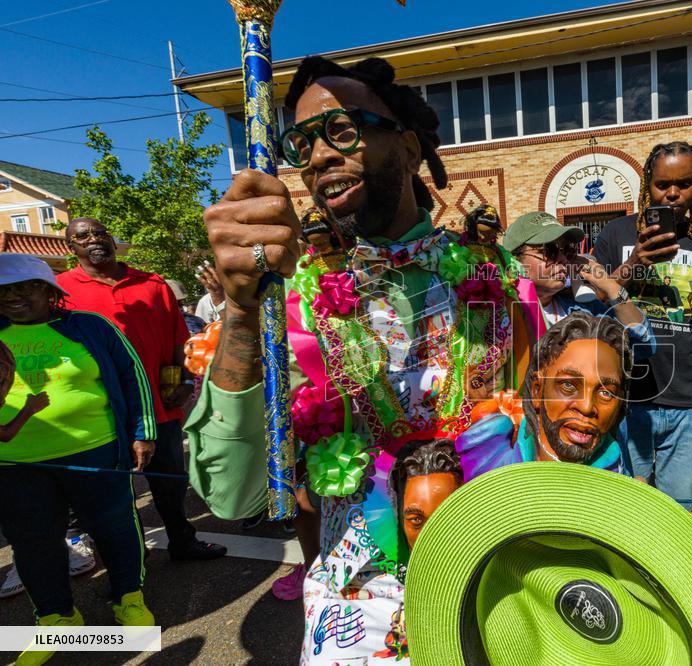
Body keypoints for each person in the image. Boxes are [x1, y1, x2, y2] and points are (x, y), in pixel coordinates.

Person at [186, 56, 538, 664]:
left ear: (405, 145)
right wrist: (243, 316)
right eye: (300, 143)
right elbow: (233, 495)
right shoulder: (293, 300)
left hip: (493, 585)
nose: (318, 156)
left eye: (341, 130)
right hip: (358, 613)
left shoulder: (500, 278)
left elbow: (537, 435)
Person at [458, 312, 692, 550]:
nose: (587, 407)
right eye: (567, 386)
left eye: (606, 393)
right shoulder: (490, 453)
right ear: (537, 391)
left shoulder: (616, 477)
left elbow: (650, 522)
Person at [0, 256, 157, 663]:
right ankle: (56, 620)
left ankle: (129, 599)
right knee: (33, 543)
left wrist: (143, 432)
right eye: (4, 292)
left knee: (115, 527)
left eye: (25, 288)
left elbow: (131, 374)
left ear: (51, 293)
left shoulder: (89, 326)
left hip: (96, 450)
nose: (13, 298)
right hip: (15, 465)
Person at [56, 218, 225, 562]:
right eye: (82, 236)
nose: (94, 239)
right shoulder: (58, 290)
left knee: (170, 482)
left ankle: (182, 540)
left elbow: (178, 337)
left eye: (100, 232)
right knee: (114, 491)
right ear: (70, 247)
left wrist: (184, 381)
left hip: (159, 405)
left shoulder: (152, 283)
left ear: (113, 239)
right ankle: (127, 559)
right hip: (100, 412)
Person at [593, 141, 692, 508]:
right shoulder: (617, 235)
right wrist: (635, 261)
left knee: (676, 512)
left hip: (690, 400)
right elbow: (592, 302)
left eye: (683, 184)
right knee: (626, 508)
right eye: (662, 184)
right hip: (628, 395)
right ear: (645, 186)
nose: (672, 194)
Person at [502, 211, 655, 357]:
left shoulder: (585, 311)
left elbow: (642, 346)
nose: (563, 259)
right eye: (550, 250)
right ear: (514, 259)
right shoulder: (498, 314)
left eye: (567, 250)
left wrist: (610, 286)